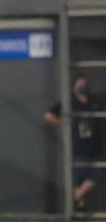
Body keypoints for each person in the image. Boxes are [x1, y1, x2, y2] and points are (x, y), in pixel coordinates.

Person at [44, 75, 99, 211]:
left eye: (85, 85)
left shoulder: (93, 101)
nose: (83, 87)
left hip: (94, 146)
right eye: (80, 85)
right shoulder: (69, 102)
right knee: (76, 178)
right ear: (73, 87)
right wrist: (63, 123)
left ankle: (74, 200)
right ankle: (79, 205)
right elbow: (48, 116)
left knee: (95, 176)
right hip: (76, 146)